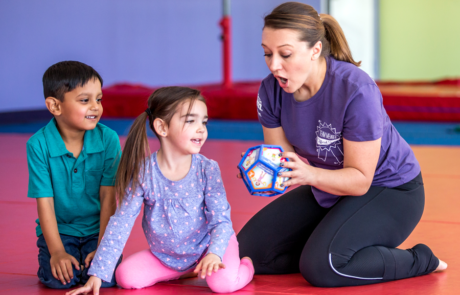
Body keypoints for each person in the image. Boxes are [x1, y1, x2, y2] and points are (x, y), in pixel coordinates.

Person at [237, 2, 447, 288]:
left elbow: (360, 181)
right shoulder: (271, 90)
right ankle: (321, 246)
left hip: (389, 190)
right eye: (267, 53)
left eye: (285, 54)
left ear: (314, 51)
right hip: (328, 187)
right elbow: (282, 162)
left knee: (324, 267)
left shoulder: (355, 90)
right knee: (245, 254)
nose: (274, 65)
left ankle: (421, 259)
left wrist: (309, 175)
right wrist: (261, 172)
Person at [67, 87, 254, 295]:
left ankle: (245, 266)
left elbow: (221, 220)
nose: (201, 129)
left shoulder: (207, 169)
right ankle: (185, 270)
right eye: (191, 121)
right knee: (125, 277)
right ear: (162, 127)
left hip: (209, 248)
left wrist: (215, 254)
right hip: (167, 257)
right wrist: (97, 274)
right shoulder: (144, 172)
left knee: (223, 285)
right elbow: (121, 222)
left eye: (204, 121)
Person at [26, 61, 122, 289]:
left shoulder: (108, 139)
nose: (96, 107)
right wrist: (57, 252)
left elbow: (109, 198)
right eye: (84, 100)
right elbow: (45, 202)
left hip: (97, 231)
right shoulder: (38, 145)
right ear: (55, 106)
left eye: (98, 99)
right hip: (61, 232)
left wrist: (103, 247)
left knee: (108, 280)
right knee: (60, 280)